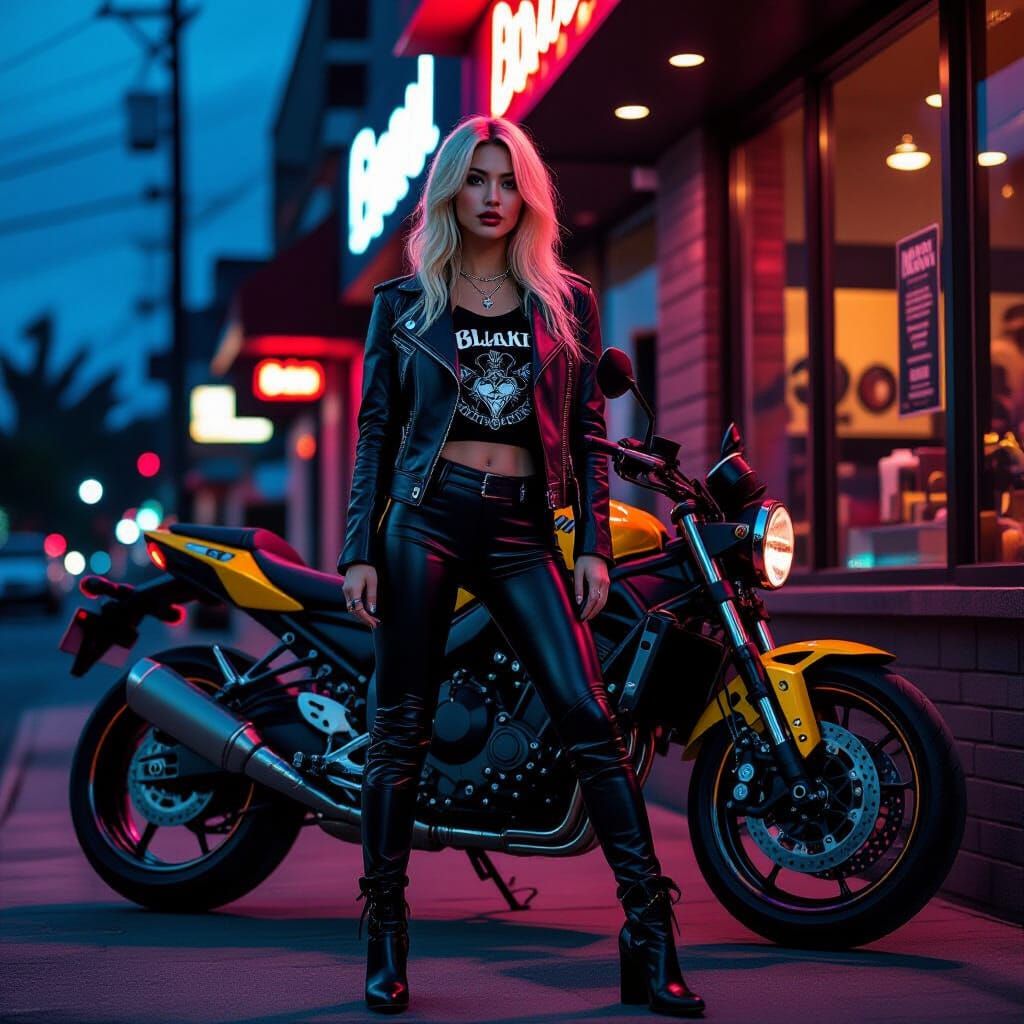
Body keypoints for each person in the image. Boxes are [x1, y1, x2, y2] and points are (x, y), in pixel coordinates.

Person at [337, 113, 705, 1018]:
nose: (493, 197)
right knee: (401, 729)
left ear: (526, 194)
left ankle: (648, 931)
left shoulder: (564, 302)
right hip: (423, 521)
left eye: (507, 182)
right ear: (451, 193)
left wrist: (591, 546)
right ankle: (385, 934)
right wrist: (357, 550)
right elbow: (376, 437)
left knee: (588, 714)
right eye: (476, 181)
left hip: (523, 528)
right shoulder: (404, 304)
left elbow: (585, 434)